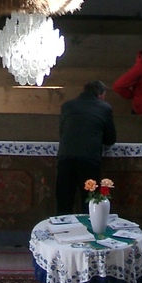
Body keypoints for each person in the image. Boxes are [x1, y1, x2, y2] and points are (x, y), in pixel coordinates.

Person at [56, 80, 117, 214]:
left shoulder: (67, 106)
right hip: (89, 158)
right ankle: (88, 226)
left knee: (64, 202)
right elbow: (110, 139)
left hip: (66, 157)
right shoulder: (105, 108)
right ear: (100, 94)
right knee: (89, 202)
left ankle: (62, 226)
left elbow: (62, 132)